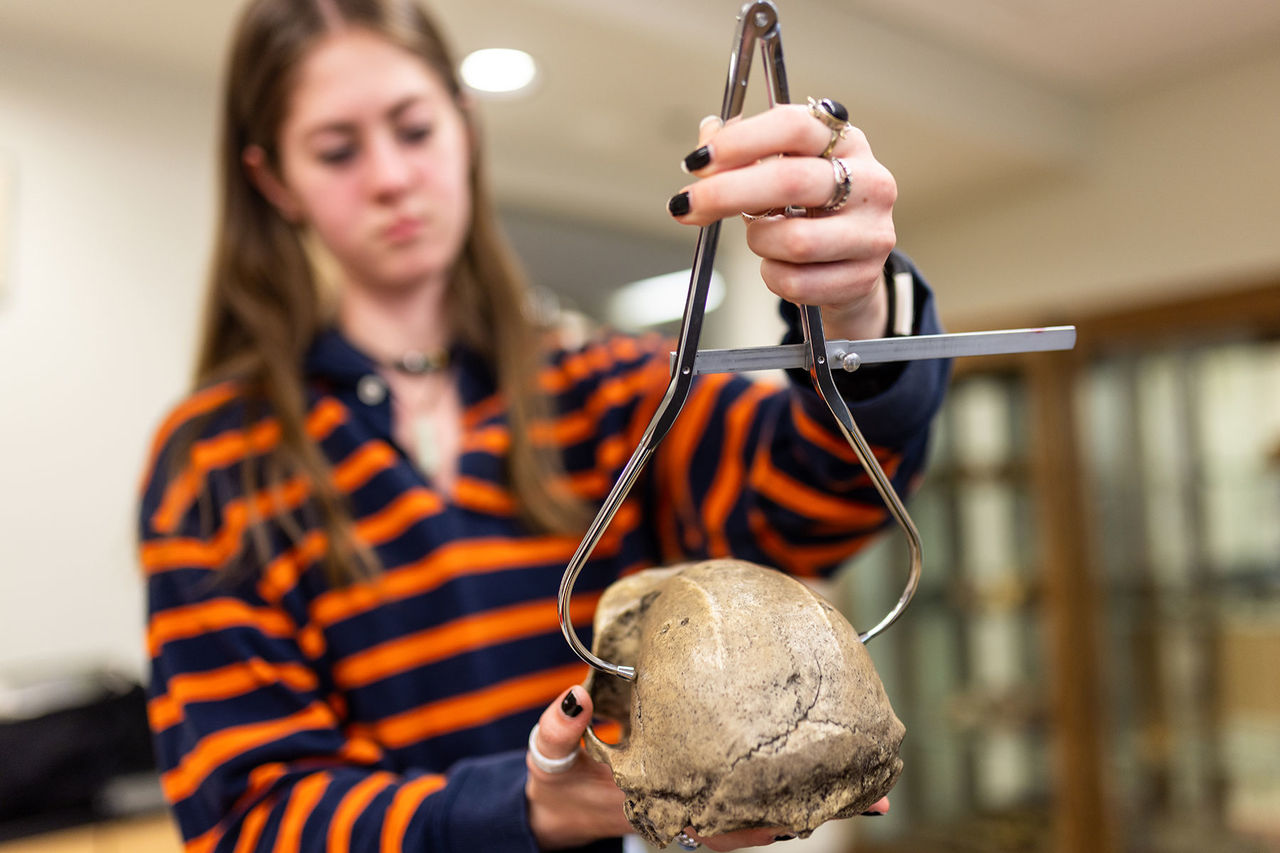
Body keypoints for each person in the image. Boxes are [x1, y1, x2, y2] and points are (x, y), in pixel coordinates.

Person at [137, 0, 949, 851]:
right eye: (337, 150)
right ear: (274, 181)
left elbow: (815, 501)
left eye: (413, 129)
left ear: (465, 124)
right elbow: (246, 819)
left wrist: (857, 310)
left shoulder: (602, 389)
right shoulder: (218, 461)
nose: (388, 176)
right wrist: (521, 810)